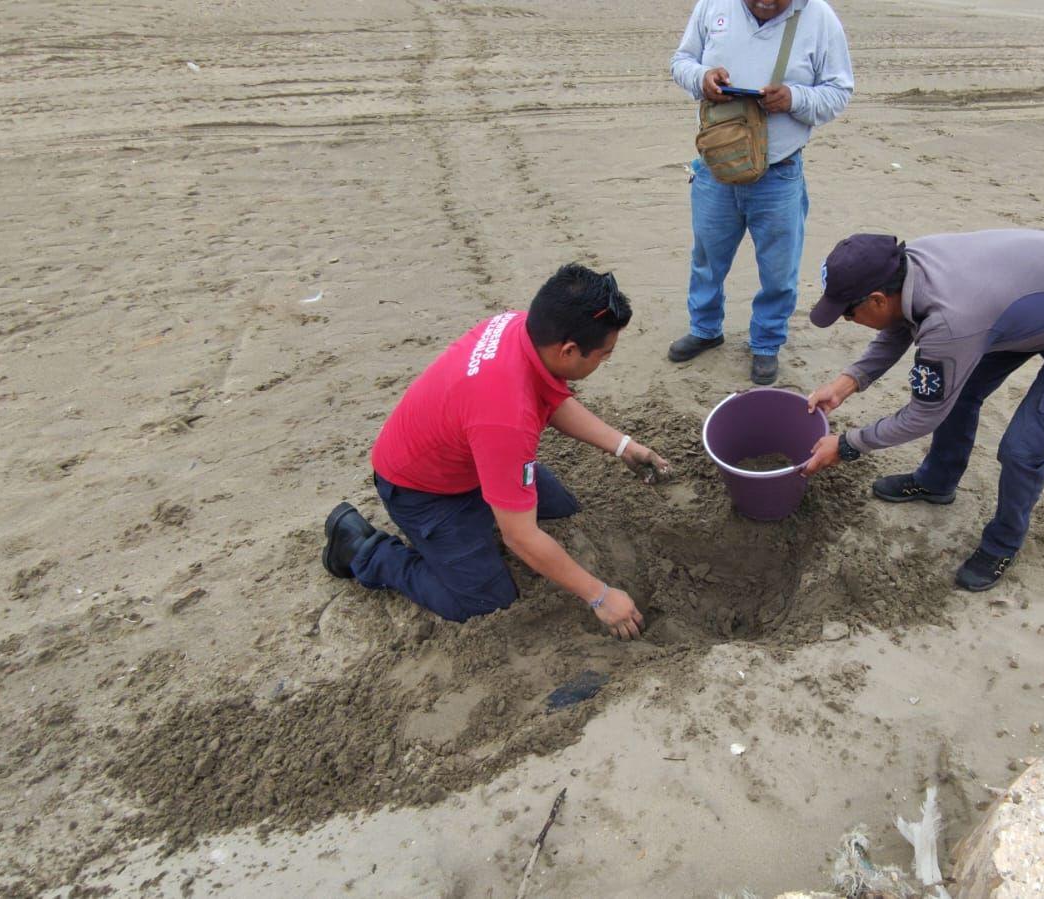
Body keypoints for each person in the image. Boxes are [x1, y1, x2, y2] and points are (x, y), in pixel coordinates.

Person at [320, 264, 671, 640]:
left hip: (469, 457)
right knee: (486, 601)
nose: (604, 361)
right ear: (569, 350)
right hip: (420, 490)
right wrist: (599, 596)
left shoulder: (521, 327)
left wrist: (623, 447)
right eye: (604, 355)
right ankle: (362, 550)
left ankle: (479, 518)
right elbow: (519, 538)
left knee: (562, 508)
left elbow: (550, 398)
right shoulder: (506, 416)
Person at [798, 230, 1044, 591]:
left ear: (877, 299)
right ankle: (937, 482)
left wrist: (848, 444)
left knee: (1024, 449)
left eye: (848, 314)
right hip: (1026, 304)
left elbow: (923, 415)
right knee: (960, 393)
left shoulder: (952, 321)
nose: (847, 321)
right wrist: (848, 381)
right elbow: (899, 323)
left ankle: (1003, 543)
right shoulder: (904, 267)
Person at [667, 0, 854, 385]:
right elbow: (681, 62)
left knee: (779, 272)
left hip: (780, 171)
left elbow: (839, 91)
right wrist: (702, 78)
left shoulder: (820, 18)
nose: (764, 2)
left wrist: (795, 99)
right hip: (716, 166)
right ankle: (705, 329)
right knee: (707, 258)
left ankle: (766, 344)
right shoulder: (711, 6)